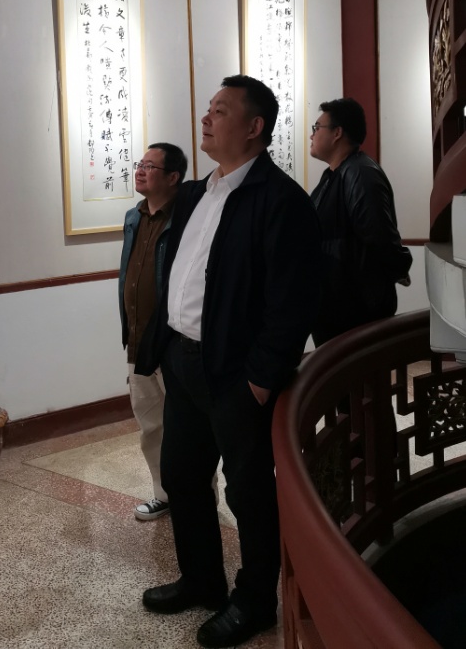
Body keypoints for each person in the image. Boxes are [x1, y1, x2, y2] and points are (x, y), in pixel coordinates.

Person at [136, 75, 322, 649]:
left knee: (248, 493)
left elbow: (292, 301)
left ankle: (255, 601)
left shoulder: (280, 200)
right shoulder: (197, 193)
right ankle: (202, 579)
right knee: (182, 476)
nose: (206, 118)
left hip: (235, 375)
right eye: (208, 109)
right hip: (183, 361)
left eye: (220, 110)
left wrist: (260, 381)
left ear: (254, 126)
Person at [119, 143, 187, 520]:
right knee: (150, 425)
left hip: (174, 344)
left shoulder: (186, 218)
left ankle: (197, 497)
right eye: (140, 164)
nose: (140, 170)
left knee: (187, 429)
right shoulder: (134, 216)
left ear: (173, 177)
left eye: (150, 166)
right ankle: (164, 493)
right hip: (138, 340)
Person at [309, 98, 412, 347]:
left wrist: (400, 266)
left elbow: (380, 236)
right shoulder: (334, 175)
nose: (312, 135)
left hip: (354, 309)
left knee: (357, 371)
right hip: (335, 304)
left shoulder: (360, 173)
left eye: (317, 127)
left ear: (337, 133)